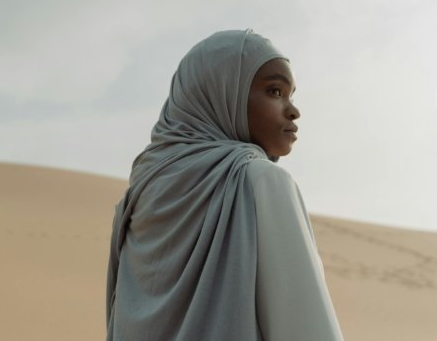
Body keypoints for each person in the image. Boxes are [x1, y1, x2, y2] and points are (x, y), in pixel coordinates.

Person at [106, 29, 345, 341]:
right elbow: (307, 330)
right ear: (221, 94)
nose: (293, 109)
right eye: (274, 91)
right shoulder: (259, 181)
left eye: (291, 94)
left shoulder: (136, 200)